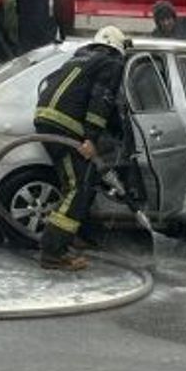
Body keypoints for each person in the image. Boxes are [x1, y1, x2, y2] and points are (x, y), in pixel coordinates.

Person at [33, 25, 129, 271]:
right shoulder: (112, 61)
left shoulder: (81, 57)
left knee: (79, 180)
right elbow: (101, 99)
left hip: (48, 118)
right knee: (78, 187)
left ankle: (76, 234)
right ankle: (52, 252)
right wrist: (91, 139)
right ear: (118, 46)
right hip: (65, 127)